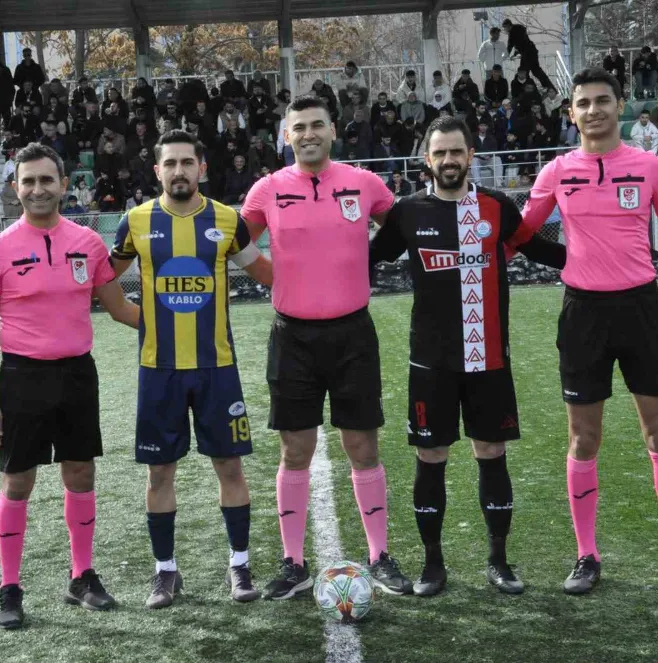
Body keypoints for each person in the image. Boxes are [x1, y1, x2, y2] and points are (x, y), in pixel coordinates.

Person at [520, 68, 658, 596]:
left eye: (603, 100)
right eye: (583, 103)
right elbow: (521, 232)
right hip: (583, 315)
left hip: (642, 310)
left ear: (620, 106)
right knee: (583, 438)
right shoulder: (557, 171)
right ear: (571, 113)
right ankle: (586, 555)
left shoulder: (650, 167)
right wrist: (564, 259)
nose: (594, 110)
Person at [369, 115, 566, 596]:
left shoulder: (496, 206)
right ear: (427, 159)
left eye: (457, 151)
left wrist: (603, 255)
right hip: (430, 361)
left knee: (492, 453)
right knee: (430, 455)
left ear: (471, 155)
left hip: (488, 358)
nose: (449, 160)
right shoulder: (408, 212)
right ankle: (433, 565)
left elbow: (539, 250)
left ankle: (498, 561)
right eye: (440, 152)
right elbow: (364, 257)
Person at [241, 96, 412, 599]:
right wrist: (272, 276)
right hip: (292, 337)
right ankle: (293, 563)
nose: (309, 134)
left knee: (362, 445)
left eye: (317, 125)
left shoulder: (364, 183)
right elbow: (236, 242)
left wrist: (364, 262)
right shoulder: (267, 189)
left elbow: (399, 229)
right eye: (299, 127)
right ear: (286, 136)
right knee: (295, 450)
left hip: (352, 334)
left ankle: (379, 555)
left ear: (333, 130)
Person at [0, 143, 140, 630]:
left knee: (80, 473)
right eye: (28, 181)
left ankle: (81, 576)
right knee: (18, 480)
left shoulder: (88, 243)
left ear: (64, 185)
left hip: (77, 375)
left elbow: (120, 309)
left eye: (47, 180)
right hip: (22, 378)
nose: (38, 189)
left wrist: (176, 322)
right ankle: (9, 587)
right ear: (16, 187)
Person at [108, 130, 273, 608]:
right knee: (160, 472)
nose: (178, 171)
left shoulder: (227, 220)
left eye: (187, 163)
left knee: (229, 466)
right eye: (170, 163)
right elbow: (101, 278)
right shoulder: (136, 222)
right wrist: (136, 318)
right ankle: (166, 572)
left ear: (202, 168)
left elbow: (265, 273)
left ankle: (239, 565)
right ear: (157, 170)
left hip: (217, 367)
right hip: (158, 369)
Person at [502, 19, 556, 93]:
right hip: (532, 51)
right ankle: (550, 88)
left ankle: (526, 92)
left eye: (504, 27)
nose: (504, 30)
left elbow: (510, 45)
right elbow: (521, 43)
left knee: (523, 73)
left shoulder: (512, 33)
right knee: (536, 71)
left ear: (508, 26)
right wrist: (515, 54)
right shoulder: (519, 29)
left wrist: (505, 56)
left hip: (527, 54)